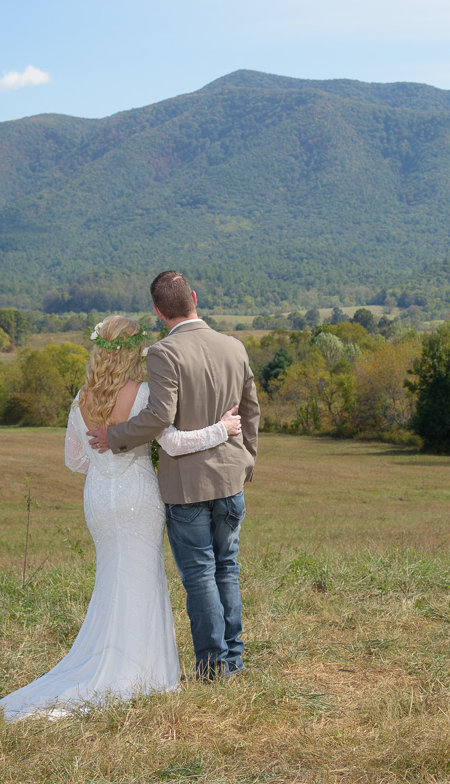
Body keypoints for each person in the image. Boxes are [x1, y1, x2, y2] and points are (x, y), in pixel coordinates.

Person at [0, 315, 241, 721]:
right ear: (136, 350)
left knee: (112, 579)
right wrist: (222, 428)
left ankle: (113, 660)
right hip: (138, 497)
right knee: (141, 578)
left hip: (99, 498)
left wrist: (105, 468)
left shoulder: (83, 397)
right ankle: (144, 671)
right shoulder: (143, 393)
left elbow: (74, 460)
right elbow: (172, 443)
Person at [89, 271, 259, 680]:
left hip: (187, 486)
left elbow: (159, 416)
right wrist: (246, 459)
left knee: (200, 574)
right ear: (194, 298)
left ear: (157, 311)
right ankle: (232, 661)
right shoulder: (234, 346)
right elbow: (250, 408)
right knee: (228, 569)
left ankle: (213, 667)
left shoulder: (164, 353)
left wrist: (114, 436)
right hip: (231, 480)